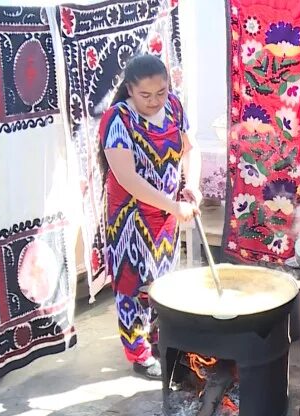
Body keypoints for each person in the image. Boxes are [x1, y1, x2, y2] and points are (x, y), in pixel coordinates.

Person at [98, 54, 202, 379]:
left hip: (165, 216)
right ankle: (139, 354)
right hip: (130, 218)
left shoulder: (173, 106)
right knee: (132, 283)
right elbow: (127, 179)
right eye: (146, 95)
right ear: (130, 89)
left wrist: (192, 186)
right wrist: (174, 206)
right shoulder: (117, 119)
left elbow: (190, 149)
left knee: (161, 278)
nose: (155, 101)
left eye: (161, 92)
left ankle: (159, 338)